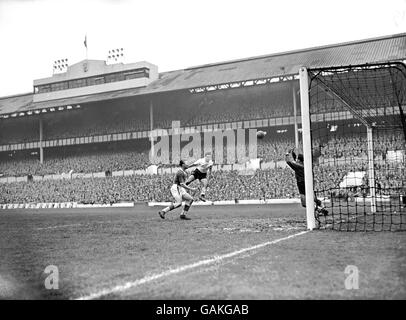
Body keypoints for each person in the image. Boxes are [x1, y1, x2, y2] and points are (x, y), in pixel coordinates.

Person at [285, 149, 328, 221]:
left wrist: (287, 153)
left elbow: (288, 161)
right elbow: (295, 161)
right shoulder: (305, 166)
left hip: (301, 184)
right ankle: (321, 207)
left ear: (299, 160)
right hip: (308, 183)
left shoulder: (298, 166)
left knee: (304, 203)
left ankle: (318, 209)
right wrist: (293, 154)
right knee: (313, 199)